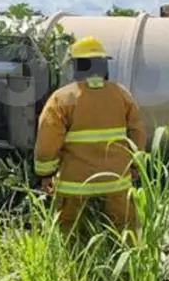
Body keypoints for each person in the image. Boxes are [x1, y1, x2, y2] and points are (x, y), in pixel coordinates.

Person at [33, 35, 147, 237]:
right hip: (117, 181)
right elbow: (137, 133)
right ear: (103, 65)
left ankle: (72, 265)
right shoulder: (121, 94)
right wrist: (136, 166)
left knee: (68, 232)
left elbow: (48, 141)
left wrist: (45, 174)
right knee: (125, 230)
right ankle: (130, 266)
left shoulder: (62, 98)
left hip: (75, 184)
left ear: (76, 66)